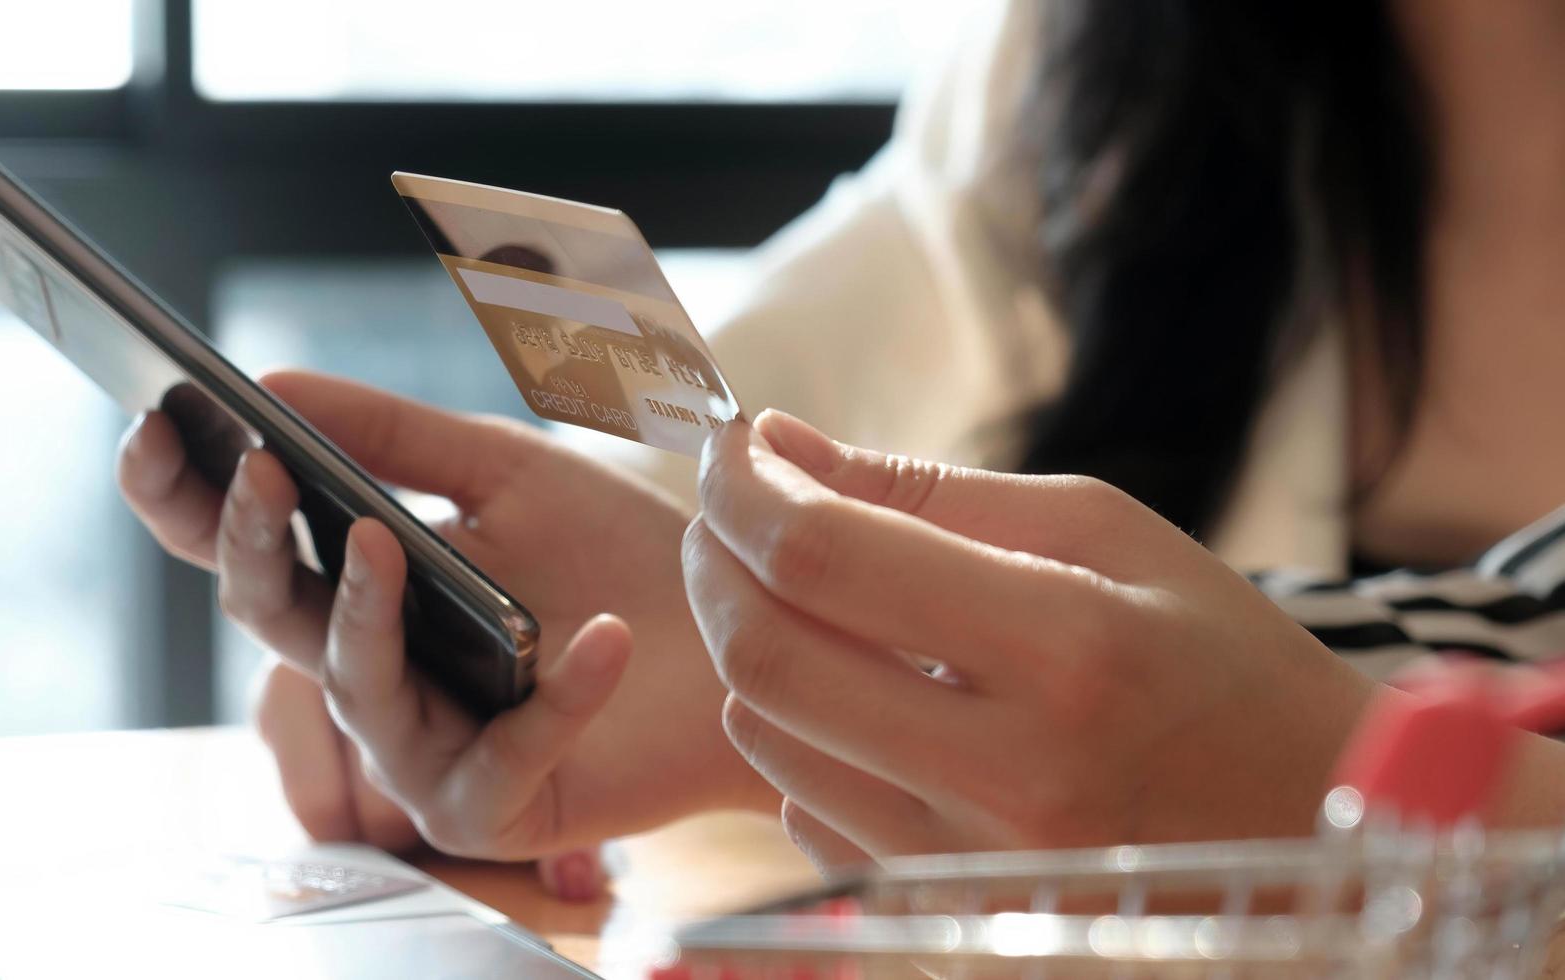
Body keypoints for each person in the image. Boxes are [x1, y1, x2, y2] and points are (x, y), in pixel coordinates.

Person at [113, 0, 1565, 882]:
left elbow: (1296, 745)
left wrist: (1340, 802)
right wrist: (651, 614)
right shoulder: (1124, 54)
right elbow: (858, 311)